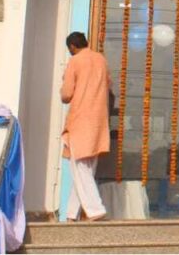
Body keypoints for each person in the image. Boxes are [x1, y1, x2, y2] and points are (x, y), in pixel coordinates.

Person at [60, 31, 111, 221]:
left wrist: (62, 86)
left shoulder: (75, 61)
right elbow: (109, 85)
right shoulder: (101, 60)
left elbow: (66, 94)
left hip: (81, 119)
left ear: (72, 47)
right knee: (86, 169)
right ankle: (72, 214)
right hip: (98, 120)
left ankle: (96, 209)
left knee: (80, 167)